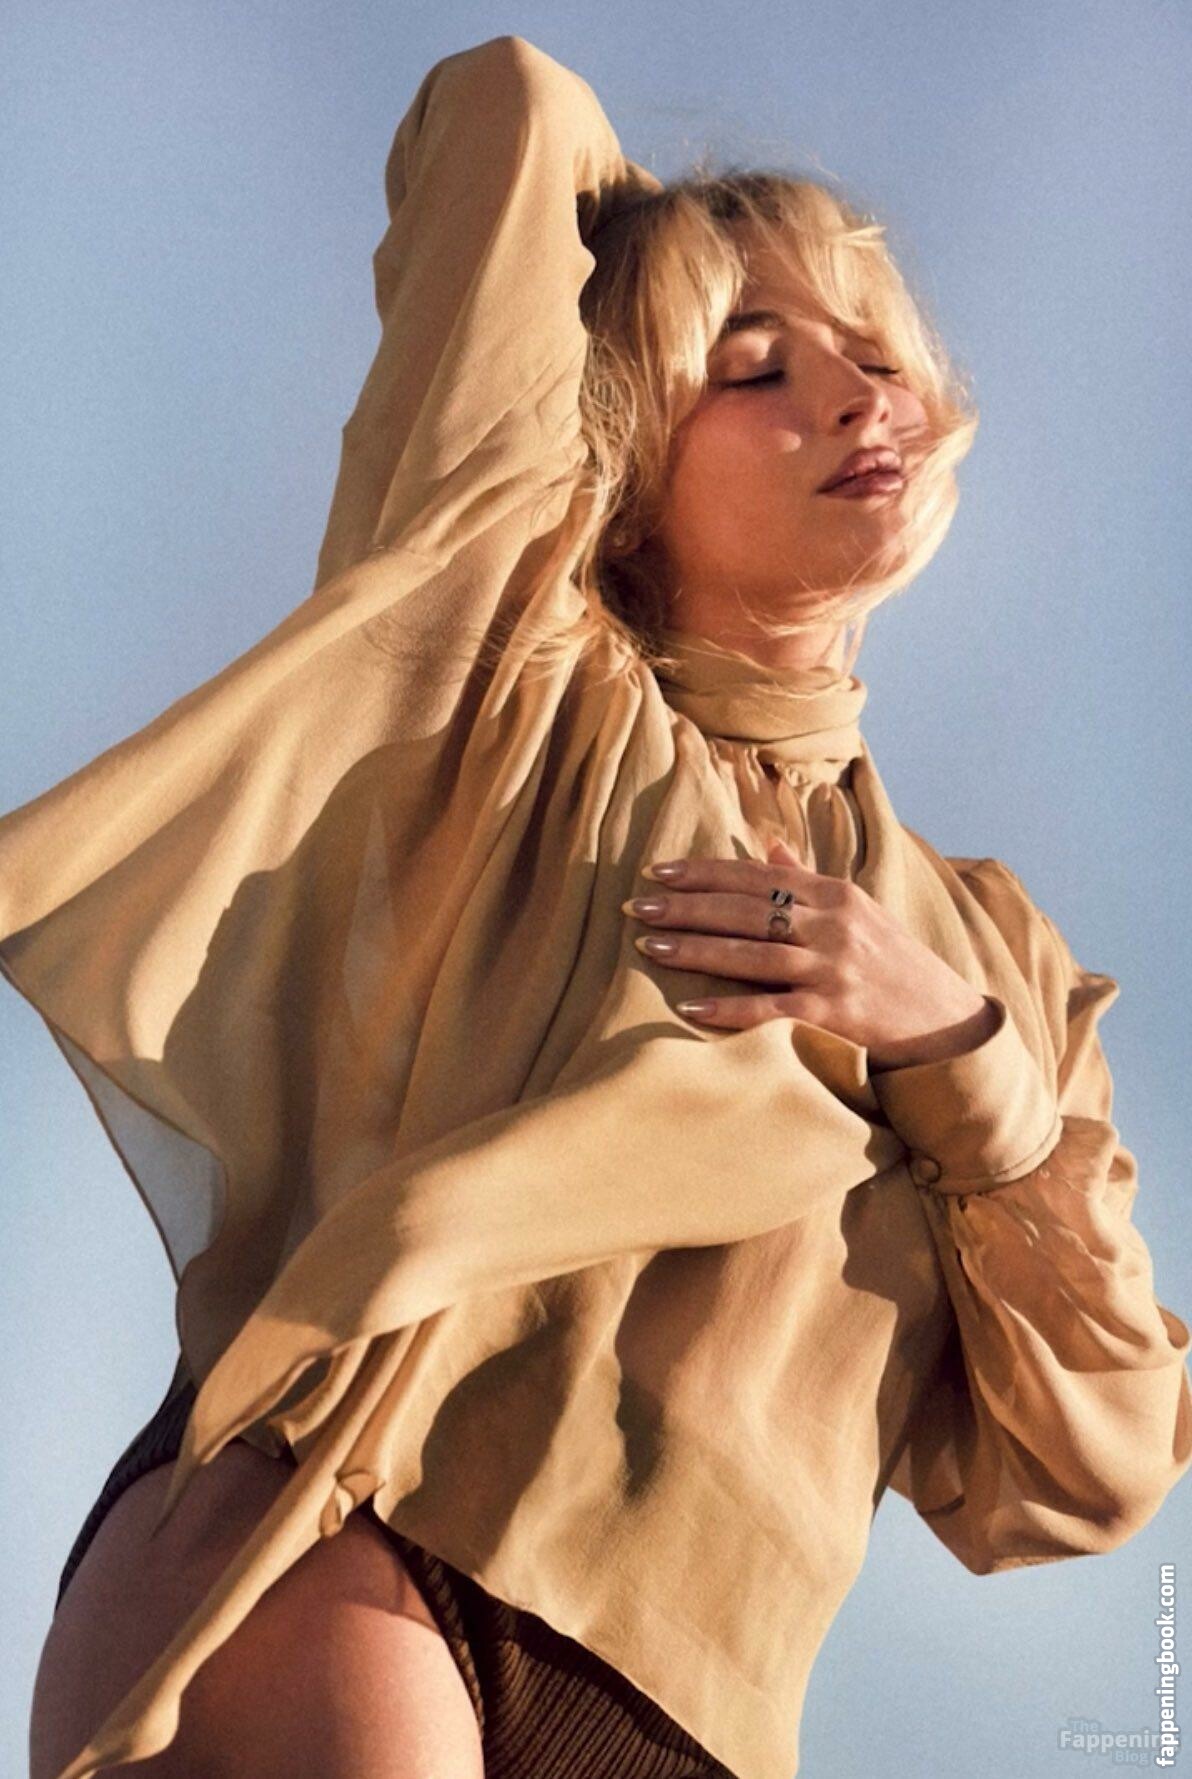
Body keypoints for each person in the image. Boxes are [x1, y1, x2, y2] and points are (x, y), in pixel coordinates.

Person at [12, 33, 1192, 1779]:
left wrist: (954, 1052)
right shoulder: (519, 697)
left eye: (876, 357)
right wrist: (665, 255)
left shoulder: (998, 963)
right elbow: (508, 109)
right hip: (345, 1537)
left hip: (697, 1720)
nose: (849, 398)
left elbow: (1088, 1465)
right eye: (754, 368)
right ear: (625, 453)